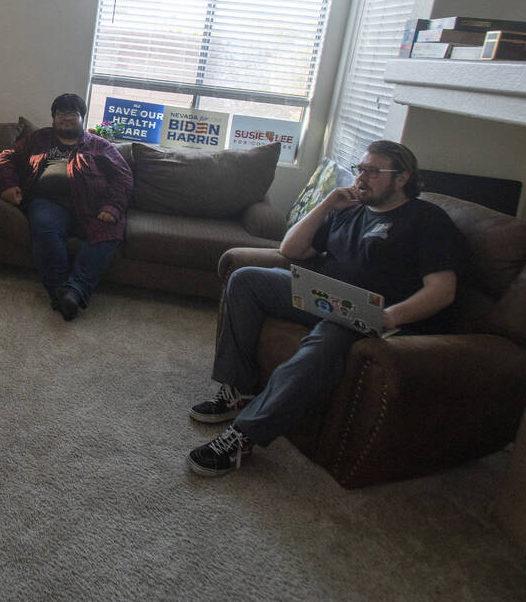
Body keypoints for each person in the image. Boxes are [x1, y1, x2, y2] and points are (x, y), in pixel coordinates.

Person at [186, 140, 464, 477]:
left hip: (370, 312)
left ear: (402, 178)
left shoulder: (426, 219)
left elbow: (442, 290)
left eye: (373, 171)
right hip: (321, 294)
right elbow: (292, 249)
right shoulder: (348, 210)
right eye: (361, 169)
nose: (362, 177)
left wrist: (389, 316)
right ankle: (238, 388)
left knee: (325, 341)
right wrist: (329, 203)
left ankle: (244, 435)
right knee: (246, 279)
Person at [0, 93, 134, 321]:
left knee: (109, 234)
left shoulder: (100, 146)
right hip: (49, 203)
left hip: (92, 206)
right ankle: (63, 292)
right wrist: (8, 185)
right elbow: (5, 157)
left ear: (82, 118)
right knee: (44, 228)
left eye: (72, 114)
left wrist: (112, 206)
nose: (66, 118)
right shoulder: (38, 139)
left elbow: (123, 178)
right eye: (60, 114)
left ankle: (74, 290)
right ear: (53, 117)